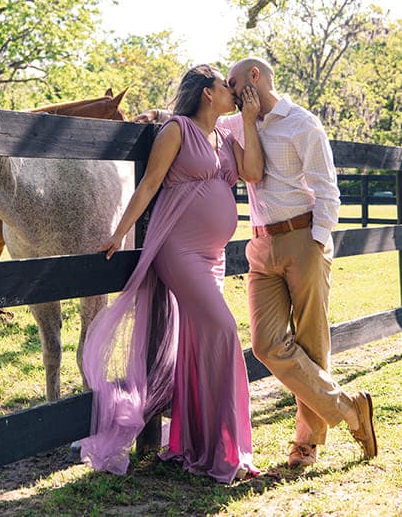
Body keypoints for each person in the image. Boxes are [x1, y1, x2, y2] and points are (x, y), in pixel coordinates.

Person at [79, 64, 264, 483]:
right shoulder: (177, 130)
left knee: (198, 344)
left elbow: (252, 172)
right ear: (205, 93)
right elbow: (149, 185)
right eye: (225, 86)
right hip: (178, 250)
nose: (233, 92)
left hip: (211, 256)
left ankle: (199, 445)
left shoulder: (227, 136)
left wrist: (250, 122)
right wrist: (119, 234)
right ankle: (225, 448)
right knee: (224, 331)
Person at [222, 57, 377, 469]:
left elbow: (327, 188)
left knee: (310, 341)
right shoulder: (237, 124)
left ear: (254, 78)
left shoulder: (302, 122)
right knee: (266, 343)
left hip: (302, 238)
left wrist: (317, 242)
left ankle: (305, 443)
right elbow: (200, 123)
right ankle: (347, 407)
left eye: (233, 83)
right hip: (259, 245)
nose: (229, 91)